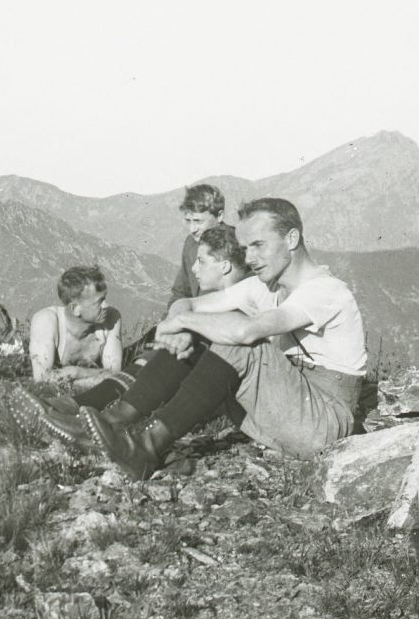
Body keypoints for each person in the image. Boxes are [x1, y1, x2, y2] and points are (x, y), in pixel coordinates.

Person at [75, 198, 367, 480]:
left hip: (324, 425)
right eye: (245, 248)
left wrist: (181, 323)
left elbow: (246, 332)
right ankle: (113, 422)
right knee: (205, 331)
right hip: (287, 412)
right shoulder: (264, 286)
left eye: (258, 245)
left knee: (239, 340)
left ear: (291, 239)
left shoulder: (326, 291)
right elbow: (188, 303)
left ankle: (146, 445)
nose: (249, 258)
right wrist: (184, 326)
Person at [9, 225, 250, 447]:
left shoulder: (251, 299)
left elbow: (237, 332)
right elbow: (184, 302)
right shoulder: (229, 296)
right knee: (156, 356)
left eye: (201, 261)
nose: (194, 269)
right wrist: (181, 325)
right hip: (215, 384)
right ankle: (92, 415)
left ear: (225, 266)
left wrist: (185, 329)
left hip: (237, 398)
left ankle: (110, 423)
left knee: (180, 349)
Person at [28, 265, 122, 391]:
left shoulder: (111, 317)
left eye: (104, 298)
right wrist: (95, 380)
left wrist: (75, 373)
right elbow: (41, 379)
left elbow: (116, 375)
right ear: (75, 309)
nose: (106, 306)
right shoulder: (46, 321)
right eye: (99, 302)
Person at [169, 183, 225, 307]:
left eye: (198, 221)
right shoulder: (191, 243)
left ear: (219, 216)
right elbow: (181, 292)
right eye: (188, 221)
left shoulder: (235, 245)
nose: (192, 229)